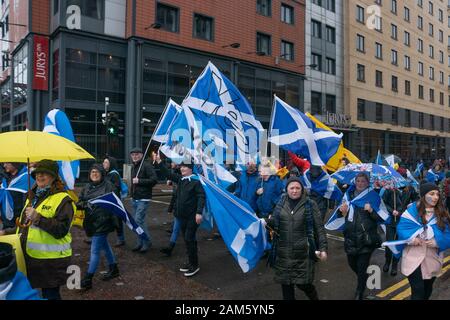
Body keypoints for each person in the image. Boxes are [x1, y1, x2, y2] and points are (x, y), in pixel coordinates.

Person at [12, 160, 75, 300]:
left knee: (50, 295)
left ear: (53, 177)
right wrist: (7, 232)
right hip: (31, 257)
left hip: (51, 261)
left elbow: (61, 230)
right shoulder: (33, 196)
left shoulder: (64, 200)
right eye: (37, 173)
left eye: (44, 173)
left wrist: (38, 218)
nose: (40, 176)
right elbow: (25, 226)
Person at [266, 177, 327, 300]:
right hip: (283, 253)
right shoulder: (281, 202)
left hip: (303, 254)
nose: (294, 191)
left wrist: (323, 248)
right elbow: (275, 222)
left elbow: (319, 228)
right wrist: (265, 222)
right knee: (286, 287)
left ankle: (313, 296)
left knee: (303, 284)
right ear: (287, 189)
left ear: (302, 189)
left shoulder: (310, 204)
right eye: (291, 188)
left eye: (297, 188)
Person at [396, 182, 450, 300]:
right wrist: (411, 239)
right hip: (413, 257)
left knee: (427, 289)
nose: (435, 197)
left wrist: (437, 242)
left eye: (437, 194)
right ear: (423, 195)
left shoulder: (442, 214)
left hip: (432, 258)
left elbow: (447, 235)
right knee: (418, 291)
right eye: (432, 194)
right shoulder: (410, 213)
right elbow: (401, 229)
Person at [156, 156, 205, 277]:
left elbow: (201, 197)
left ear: (190, 169)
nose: (182, 168)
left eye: (185, 167)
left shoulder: (196, 181)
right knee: (186, 239)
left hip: (192, 217)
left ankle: (194, 265)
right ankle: (190, 262)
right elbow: (167, 173)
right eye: (181, 166)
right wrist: (159, 162)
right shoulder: (181, 179)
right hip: (181, 216)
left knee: (189, 238)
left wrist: (199, 212)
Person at [337, 172, 383, 300]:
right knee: (352, 264)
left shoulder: (373, 196)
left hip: (366, 239)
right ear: (354, 182)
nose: (360, 183)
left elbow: (381, 217)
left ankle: (359, 292)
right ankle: (364, 278)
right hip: (350, 237)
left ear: (368, 183)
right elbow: (339, 214)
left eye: (363, 181)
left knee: (362, 267)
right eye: (358, 181)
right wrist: (342, 211)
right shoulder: (348, 196)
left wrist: (371, 210)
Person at [78, 164, 119, 290]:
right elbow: (79, 202)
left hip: (103, 222)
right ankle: (114, 268)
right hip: (91, 222)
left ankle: (88, 279)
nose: (94, 174)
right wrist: (86, 204)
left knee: (95, 250)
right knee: (105, 245)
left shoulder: (108, 186)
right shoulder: (86, 187)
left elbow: (115, 203)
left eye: (97, 172)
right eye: (92, 172)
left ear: (102, 174)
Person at [129, 147, 158, 253]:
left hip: (144, 198)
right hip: (135, 198)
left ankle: (147, 242)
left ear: (141, 155)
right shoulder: (134, 167)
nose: (135, 156)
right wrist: (132, 195)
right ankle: (140, 242)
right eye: (133, 155)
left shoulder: (146, 165)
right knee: (139, 222)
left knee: (138, 220)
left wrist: (139, 181)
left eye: (137, 154)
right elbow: (133, 184)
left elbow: (154, 180)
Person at [103, 156, 125, 247]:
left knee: (117, 220)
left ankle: (121, 239)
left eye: (106, 162)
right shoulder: (107, 173)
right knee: (105, 220)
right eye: (103, 162)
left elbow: (116, 187)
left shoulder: (113, 174)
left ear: (111, 164)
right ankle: (98, 238)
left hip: (114, 201)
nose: (103, 164)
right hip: (109, 200)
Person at [1, 163, 27, 230]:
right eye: (3, 163)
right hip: (5, 224)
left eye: (7, 163)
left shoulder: (26, 178)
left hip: (18, 225)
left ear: (15, 163)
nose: (4, 166)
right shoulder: (5, 179)